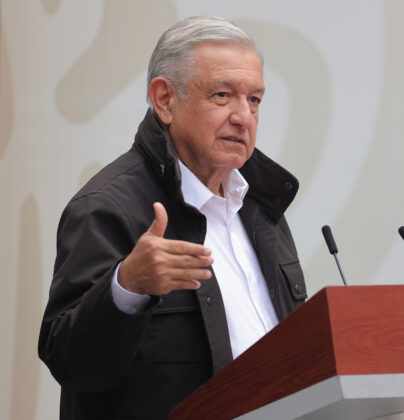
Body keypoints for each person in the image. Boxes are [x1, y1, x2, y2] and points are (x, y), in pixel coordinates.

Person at [38, 16, 307, 419]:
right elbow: (70, 362)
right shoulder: (107, 207)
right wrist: (125, 287)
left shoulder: (259, 210)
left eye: (254, 100)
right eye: (222, 95)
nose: (243, 116)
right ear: (165, 100)